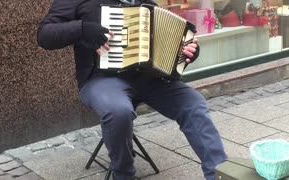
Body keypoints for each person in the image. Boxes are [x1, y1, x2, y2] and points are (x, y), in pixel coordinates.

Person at [37, 0, 227, 179]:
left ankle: (219, 174)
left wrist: (186, 52)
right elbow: (44, 35)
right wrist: (82, 28)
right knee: (118, 111)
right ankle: (124, 175)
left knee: (193, 104)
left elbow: (168, 40)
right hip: (101, 79)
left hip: (150, 78)